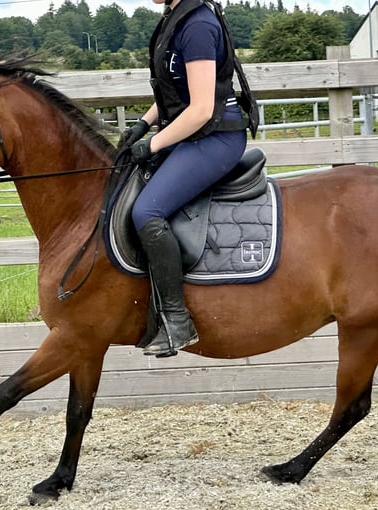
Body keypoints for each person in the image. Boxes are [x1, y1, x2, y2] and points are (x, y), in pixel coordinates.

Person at [121, 0, 255, 358]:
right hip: (191, 132)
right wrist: (143, 123)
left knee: (146, 211)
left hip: (214, 136)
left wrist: (153, 145)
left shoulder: (197, 25)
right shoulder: (176, 18)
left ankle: (177, 322)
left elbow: (200, 109)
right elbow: (174, 91)